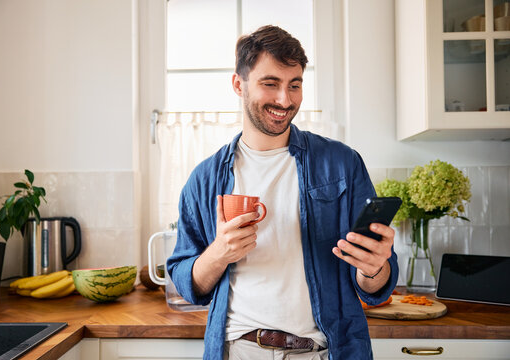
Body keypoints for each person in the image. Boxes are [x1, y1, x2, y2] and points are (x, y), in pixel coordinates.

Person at [167, 25, 398, 360]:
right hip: (238, 351)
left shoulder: (342, 163)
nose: (284, 100)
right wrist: (219, 253)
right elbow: (189, 287)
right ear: (238, 84)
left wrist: (375, 268)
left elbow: (375, 287)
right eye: (270, 84)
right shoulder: (204, 179)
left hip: (324, 352)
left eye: (295, 85)